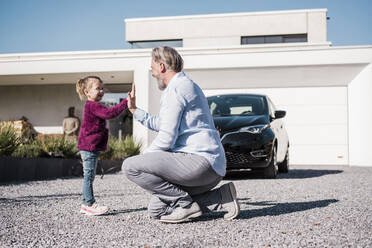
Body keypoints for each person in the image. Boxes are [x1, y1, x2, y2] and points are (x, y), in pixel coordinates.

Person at [123, 46, 240, 223]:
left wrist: (144, 161)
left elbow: (166, 138)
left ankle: (185, 205)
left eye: (152, 68)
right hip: (210, 168)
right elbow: (163, 124)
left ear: (161, 66)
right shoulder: (186, 85)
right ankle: (221, 197)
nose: (152, 73)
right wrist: (134, 111)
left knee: (130, 166)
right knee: (157, 210)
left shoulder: (176, 89)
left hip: (199, 163)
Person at [76, 76, 128, 216]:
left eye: (102, 88)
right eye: (97, 88)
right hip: (89, 146)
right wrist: (125, 102)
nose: (101, 91)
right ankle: (88, 204)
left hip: (90, 146)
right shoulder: (93, 105)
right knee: (88, 175)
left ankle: (87, 203)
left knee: (89, 175)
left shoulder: (93, 105)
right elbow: (109, 113)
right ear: (87, 92)